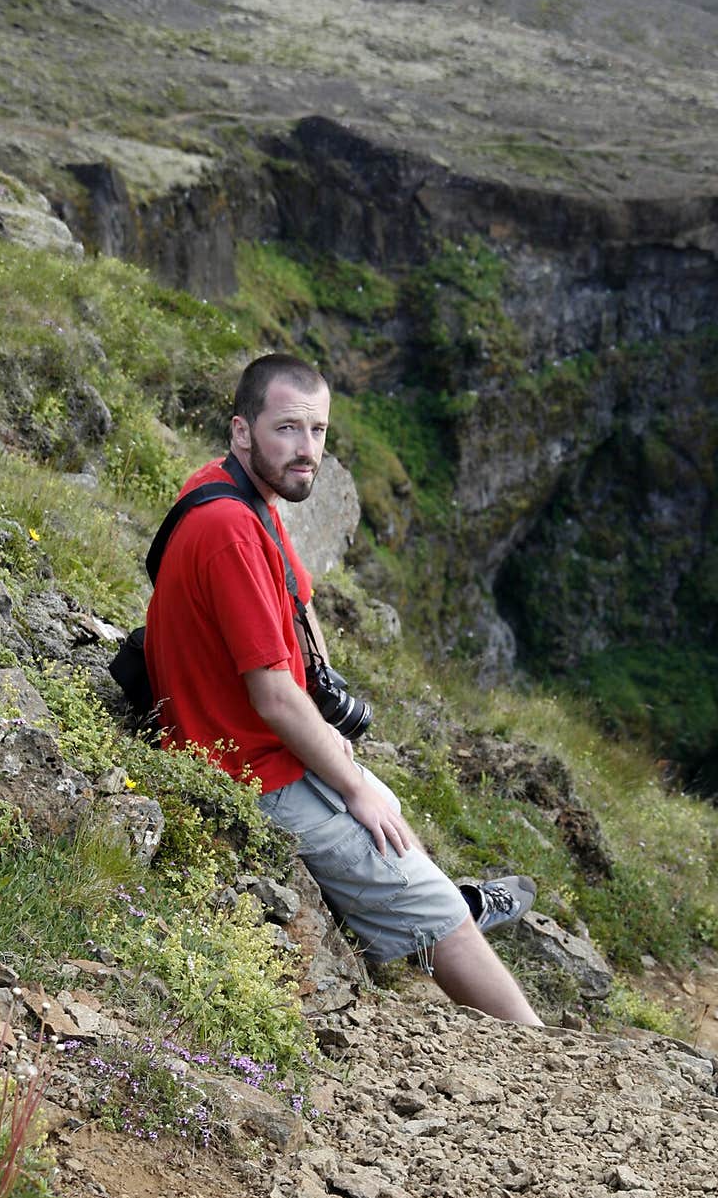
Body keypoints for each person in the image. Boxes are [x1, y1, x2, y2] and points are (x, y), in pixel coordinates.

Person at [145, 354, 542, 1026]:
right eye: (288, 430)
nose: (308, 452)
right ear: (243, 431)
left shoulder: (238, 493)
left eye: (319, 432)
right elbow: (272, 697)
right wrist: (350, 782)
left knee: (384, 808)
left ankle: (433, 900)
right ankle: (539, 1049)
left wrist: (333, 719)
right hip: (246, 771)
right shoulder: (229, 530)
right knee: (388, 836)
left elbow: (300, 602)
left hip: (266, 749)